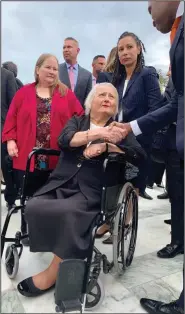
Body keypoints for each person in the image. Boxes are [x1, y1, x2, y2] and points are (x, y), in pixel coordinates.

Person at [16, 83, 146, 298]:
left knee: (71, 213)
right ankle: (64, 250)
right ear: (90, 102)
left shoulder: (120, 129)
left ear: (115, 106)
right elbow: (64, 139)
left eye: (111, 97)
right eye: (101, 94)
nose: (106, 98)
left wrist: (108, 146)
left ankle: (53, 272)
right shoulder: (77, 121)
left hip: (94, 189)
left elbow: (139, 155)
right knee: (35, 205)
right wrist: (95, 135)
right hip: (62, 181)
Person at [110, 1, 184, 313]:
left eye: (130, 47)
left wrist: (134, 130)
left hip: (144, 144)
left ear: (139, 49)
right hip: (122, 137)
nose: (149, 8)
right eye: (120, 48)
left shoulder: (148, 75)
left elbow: (164, 106)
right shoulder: (114, 78)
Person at [2, 53, 84, 207]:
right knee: (28, 200)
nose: (52, 71)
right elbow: (11, 118)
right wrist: (10, 141)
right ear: (38, 69)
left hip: (57, 158)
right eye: (48, 67)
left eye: (55, 69)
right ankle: (27, 228)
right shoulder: (23, 93)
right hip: (27, 155)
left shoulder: (65, 93)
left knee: (51, 202)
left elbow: (79, 117)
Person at [1, 67, 18, 210]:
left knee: (6, 165)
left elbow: (14, 106)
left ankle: (11, 198)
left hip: (2, 128)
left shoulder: (7, 75)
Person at [59, 37, 92, 108]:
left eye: (69, 47)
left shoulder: (87, 75)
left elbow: (88, 101)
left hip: (79, 117)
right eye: (64, 48)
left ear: (78, 50)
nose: (65, 50)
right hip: (58, 116)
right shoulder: (56, 70)